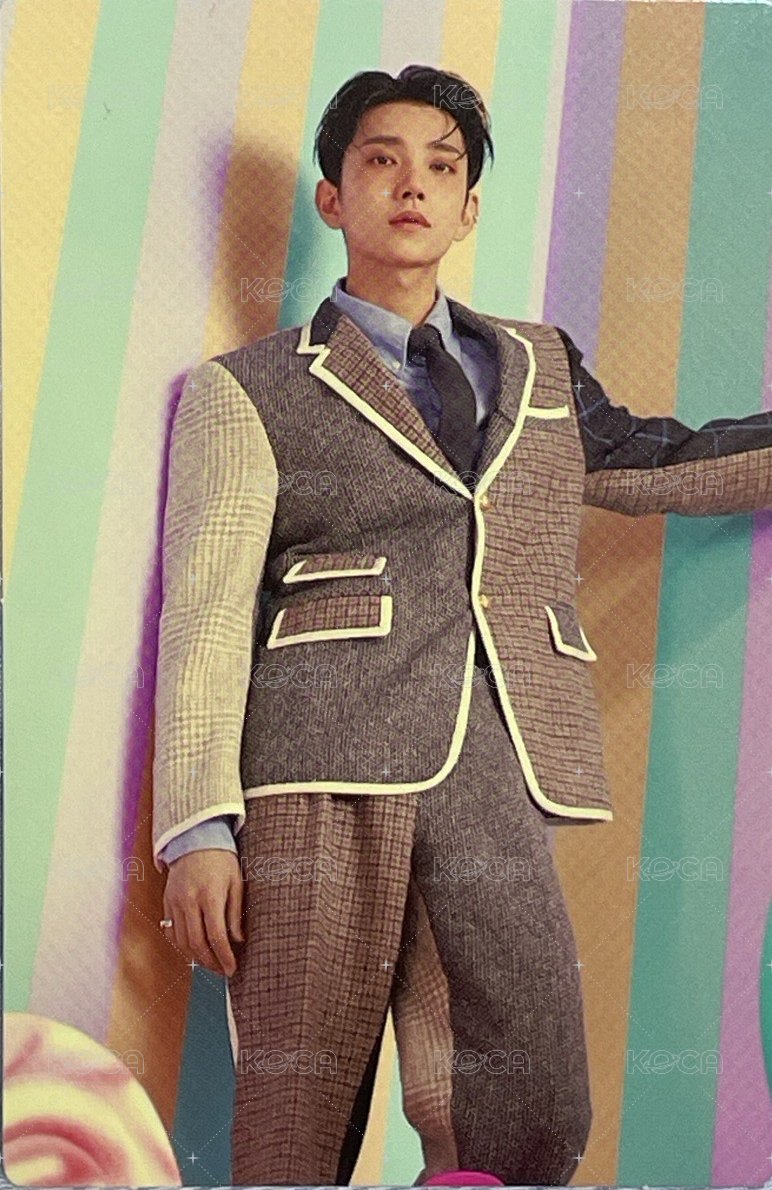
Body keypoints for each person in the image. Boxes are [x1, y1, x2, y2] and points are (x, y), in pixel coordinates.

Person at [152, 66, 772, 1187]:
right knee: (294, 1114)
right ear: (333, 196)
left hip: (496, 758)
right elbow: (206, 609)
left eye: (442, 167)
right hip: (312, 771)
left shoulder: (537, 364)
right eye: (381, 160)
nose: (413, 185)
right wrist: (198, 829)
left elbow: (660, 463)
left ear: (469, 207)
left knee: (528, 1095)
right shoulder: (245, 388)